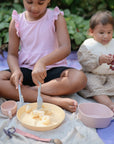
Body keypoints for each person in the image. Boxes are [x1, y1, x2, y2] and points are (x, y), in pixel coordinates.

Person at [0, 0, 87, 113]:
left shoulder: (56, 17)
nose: (35, 8)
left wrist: (42, 62)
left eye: (40, 3)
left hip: (53, 71)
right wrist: (16, 71)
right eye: (29, 2)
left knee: (80, 78)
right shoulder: (17, 21)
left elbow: (65, 48)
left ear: (48, 1)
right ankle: (53, 100)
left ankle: (28, 92)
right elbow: (12, 54)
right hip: (26, 70)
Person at [77, 10, 114, 112]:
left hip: (111, 74)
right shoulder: (88, 45)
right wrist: (98, 60)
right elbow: (84, 61)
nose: (106, 36)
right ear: (91, 31)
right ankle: (110, 105)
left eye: (109, 32)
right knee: (93, 86)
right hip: (93, 74)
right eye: (101, 32)